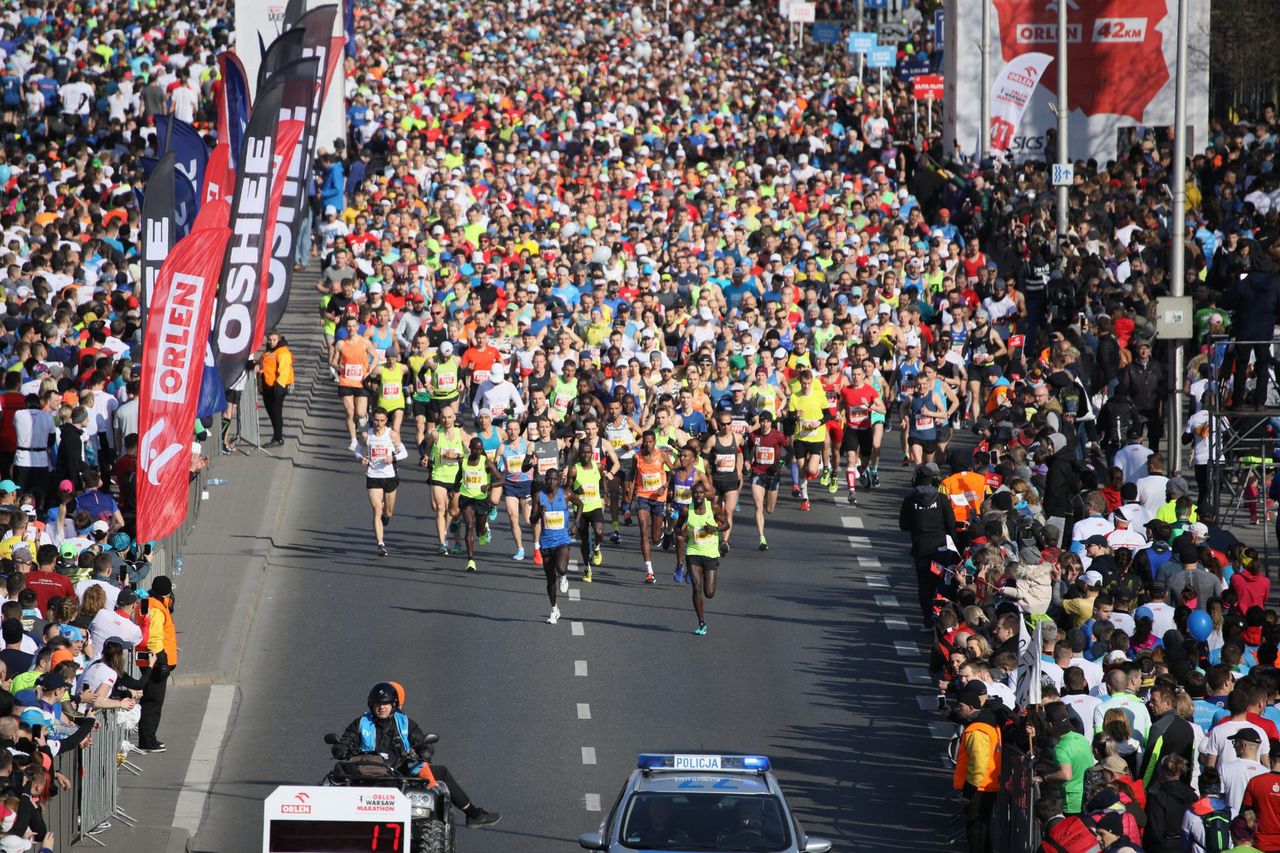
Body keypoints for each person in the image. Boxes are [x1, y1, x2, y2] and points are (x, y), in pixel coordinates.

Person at [333, 682, 499, 827]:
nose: (381, 707)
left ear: (394, 704)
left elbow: (420, 741)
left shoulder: (406, 723)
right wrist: (341, 748)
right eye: (377, 703)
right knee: (329, 783)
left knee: (440, 773)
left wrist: (425, 751)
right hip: (367, 773)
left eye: (386, 703)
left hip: (400, 772)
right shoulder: (360, 723)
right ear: (371, 704)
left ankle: (472, 815)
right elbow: (347, 739)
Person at [899, 463, 958, 628]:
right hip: (941, 550)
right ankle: (939, 614)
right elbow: (951, 525)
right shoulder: (942, 499)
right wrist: (954, 549)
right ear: (932, 481)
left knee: (924, 586)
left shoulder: (910, 500)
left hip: (921, 550)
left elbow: (903, 525)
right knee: (941, 583)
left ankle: (927, 619)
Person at [954, 681, 1001, 853]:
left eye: (961, 706)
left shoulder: (977, 730)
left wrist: (969, 791)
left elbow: (978, 763)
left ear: (972, 707)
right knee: (982, 831)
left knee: (977, 834)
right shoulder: (987, 724)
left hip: (979, 787)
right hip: (986, 784)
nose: (957, 709)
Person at [355, 408, 407, 557]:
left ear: (386, 421)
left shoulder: (392, 435)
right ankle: (380, 544)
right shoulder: (367, 435)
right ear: (373, 419)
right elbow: (356, 450)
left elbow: (404, 452)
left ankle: (386, 515)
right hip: (373, 476)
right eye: (376, 420)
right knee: (377, 509)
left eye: (382, 421)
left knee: (388, 512)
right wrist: (361, 458)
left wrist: (393, 458)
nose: (379, 423)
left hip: (390, 477)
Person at [681, 480, 728, 636]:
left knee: (709, 593)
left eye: (701, 492)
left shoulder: (712, 507)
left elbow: (726, 525)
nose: (698, 495)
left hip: (710, 553)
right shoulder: (686, 510)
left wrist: (715, 528)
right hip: (693, 552)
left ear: (705, 494)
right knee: (696, 588)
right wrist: (680, 533)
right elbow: (677, 528)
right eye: (696, 492)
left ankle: (715, 566)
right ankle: (701, 623)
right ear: (692, 495)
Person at [136, 575, 177, 753]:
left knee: (150, 700)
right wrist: (161, 661)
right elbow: (154, 638)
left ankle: (148, 738)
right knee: (153, 702)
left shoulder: (148, 603)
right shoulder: (157, 610)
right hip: (155, 660)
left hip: (146, 658)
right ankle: (148, 740)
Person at [530, 468, 573, 624]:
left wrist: (575, 524)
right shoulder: (538, 496)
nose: (551, 482)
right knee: (550, 580)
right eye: (549, 479)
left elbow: (580, 505)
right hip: (546, 542)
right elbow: (532, 520)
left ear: (559, 481)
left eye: (554, 479)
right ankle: (554, 609)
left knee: (561, 568)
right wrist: (539, 513)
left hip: (562, 539)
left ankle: (564, 576)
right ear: (545, 480)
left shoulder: (566, 494)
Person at [630, 430, 672, 583]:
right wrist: (630, 488)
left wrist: (665, 486)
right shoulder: (637, 457)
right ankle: (649, 571)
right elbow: (632, 474)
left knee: (655, 539)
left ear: (654, 442)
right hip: (643, 497)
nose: (647, 444)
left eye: (650, 441)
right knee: (643, 530)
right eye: (645, 442)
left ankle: (662, 531)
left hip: (659, 497)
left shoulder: (662, 455)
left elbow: (673, 472)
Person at [332, 314, 378, 451]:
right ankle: (353, 440)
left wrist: (369, 371)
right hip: (346, 380)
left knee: (360, 412)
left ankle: (364, 433)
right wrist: (337, 366)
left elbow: (375, 357)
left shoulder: (365, 342)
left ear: (358, 328)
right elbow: (334, 361)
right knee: (349, 411)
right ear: (346, 328)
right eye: (349, 326)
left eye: (353, 326)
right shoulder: (341, 344)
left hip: (361, 381)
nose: (351, 329)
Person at [426, 408, 467, 556]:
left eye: (449, 417)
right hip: (439, 476)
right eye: (443, 418)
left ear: (454, 418)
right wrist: (426, 458)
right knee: (440, 508)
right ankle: (442, 543)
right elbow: (427, 448)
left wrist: (458, 455)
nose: (446, 420)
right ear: (440, 418)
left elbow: (470, 453)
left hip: (456, 478)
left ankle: (451, 534)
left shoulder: (460, 434)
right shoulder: (436, 434)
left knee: (454, 511)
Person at [458, 437, 502, 572]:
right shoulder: (463, 460)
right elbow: (459, 475)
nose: (478, 451)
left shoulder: (486, 463)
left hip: (481, 500)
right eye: (475, 449)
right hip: (466, 498)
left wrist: (489, 486)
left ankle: (484, 531)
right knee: (469, 526)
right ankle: (470, 560)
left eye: (480, 449)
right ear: (470, 448)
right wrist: (454, 489)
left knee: (479, 530)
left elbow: (501, 480)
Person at [745, 411, 787, 551]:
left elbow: (790, 451)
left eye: (767, 421)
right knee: (758, 505)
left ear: (771, 423)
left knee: (769, 509)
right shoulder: (754, 435)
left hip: (773, 474)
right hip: (758, 472)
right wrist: (747, 460)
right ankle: (762, 538)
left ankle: (767, 507)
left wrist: (781, 462)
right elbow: (747, 447)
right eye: (762, 421)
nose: (764, 424)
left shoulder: (777, 435)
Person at [570, 441, 607, 581]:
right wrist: (575, 490)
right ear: (579, 454)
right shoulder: (574, 469)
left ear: (592, 453)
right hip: (580, 508)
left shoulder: (597, 467)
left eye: (588, 452)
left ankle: (597, 548)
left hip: (595, 505)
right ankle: (587, 568)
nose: (586, 455)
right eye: (583, 452)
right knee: (584, 541)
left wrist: (605, 495)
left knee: (599, 532)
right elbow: (566, 489)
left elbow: (603, 481)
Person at [259, 329, 294, 447]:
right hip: (267, 386)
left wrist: (279, 386)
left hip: (278, 387)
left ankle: (278, 438)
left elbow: (284, 369)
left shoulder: (282, 351)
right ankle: (276, 436)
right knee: (271, 412)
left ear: (278, 340)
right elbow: (262, 363)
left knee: (276, 412)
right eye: (269, 340)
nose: (271, 342)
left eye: (274, 340)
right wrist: (254, 364)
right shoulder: (268, 351)